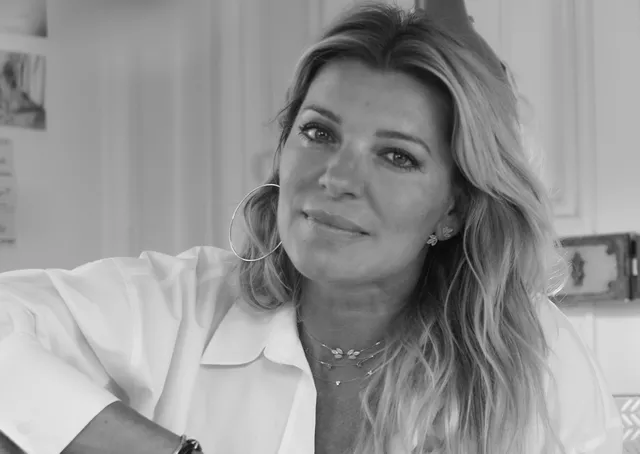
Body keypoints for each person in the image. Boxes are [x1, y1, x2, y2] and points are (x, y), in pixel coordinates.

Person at [0, 2, 623, 454]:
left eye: (396, 155)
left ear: (453, 209)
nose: (336, 177)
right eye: (319, 132)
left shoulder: (533, 354)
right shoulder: (178, 304)